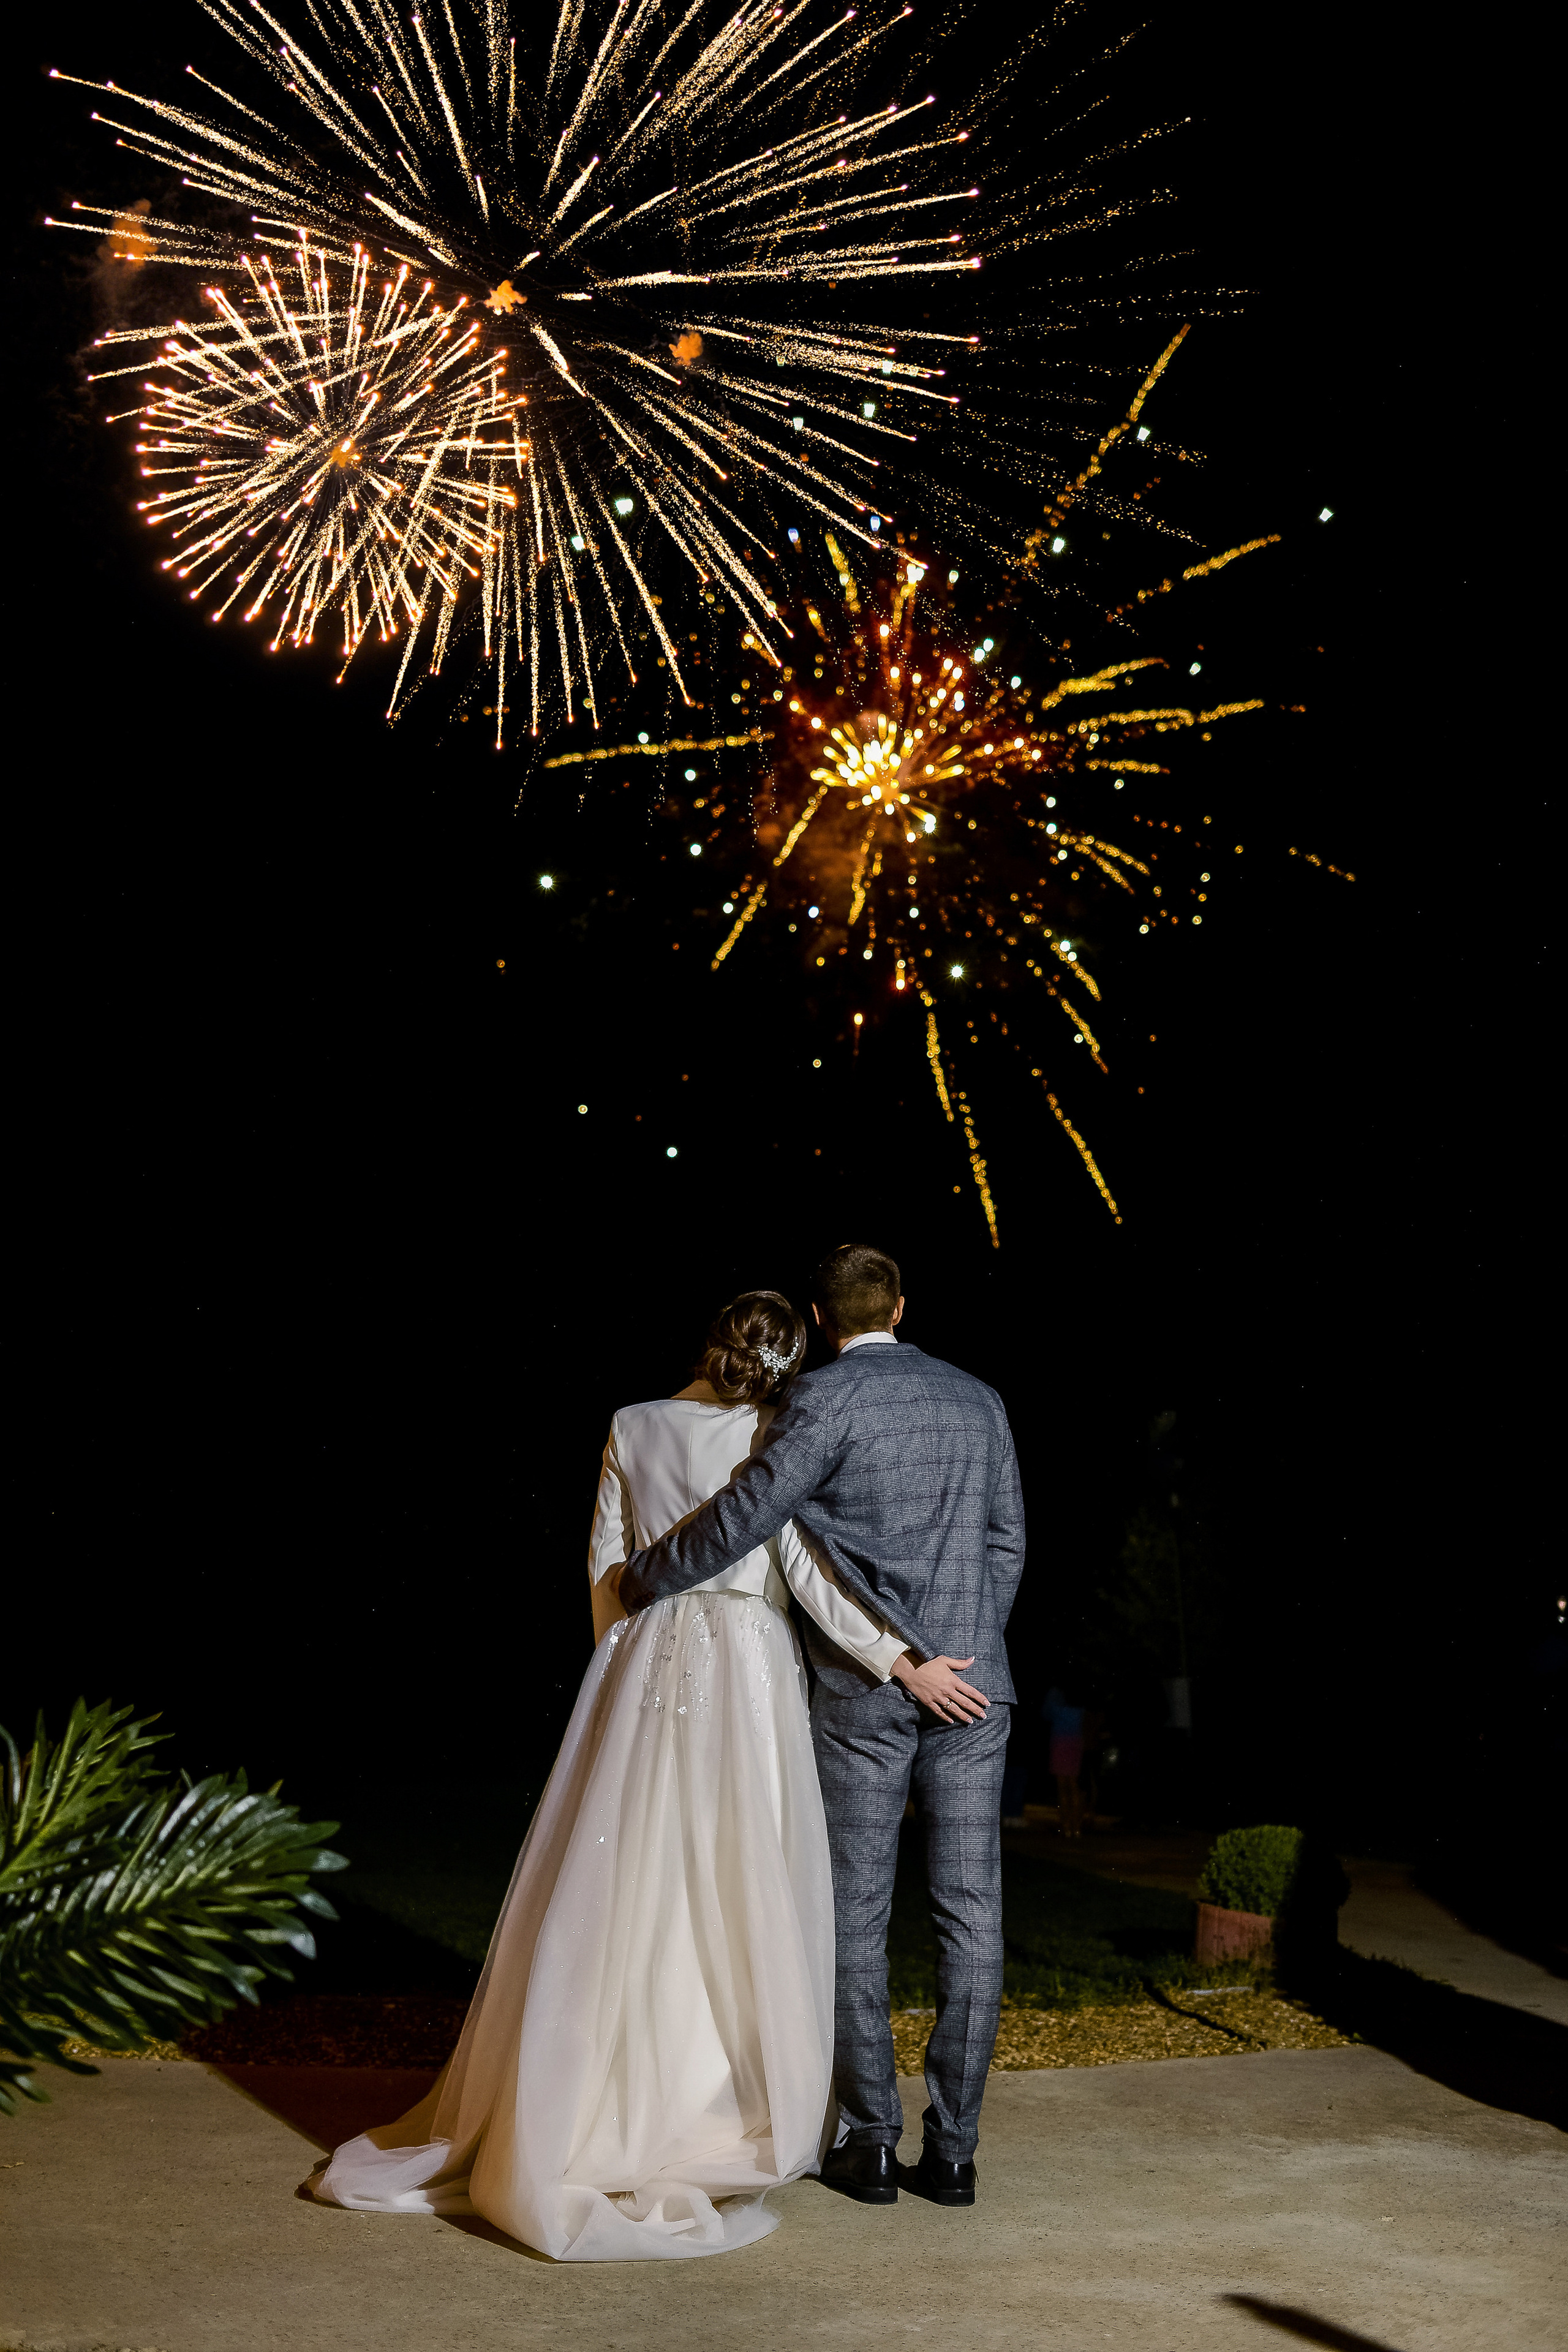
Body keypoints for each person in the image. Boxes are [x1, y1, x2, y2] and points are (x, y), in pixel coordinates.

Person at [310, 1289, 931, 2260]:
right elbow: (807, 1568)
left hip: (648, 1659)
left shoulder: (631, 1423)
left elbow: (605, 1560)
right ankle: (715, 2092)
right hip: (752, 1667)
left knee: (626, 1872)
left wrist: (618, 1671)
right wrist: (894, 1654)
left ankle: (591, 2091)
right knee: (739, 1873)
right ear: (787, 1359)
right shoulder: (779, 1433)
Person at [619, 1242, 1025, 2210]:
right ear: (901, 1303)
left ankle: (874, 2142)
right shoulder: (980, 1399)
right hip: (975, 1689)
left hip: (864, 1690)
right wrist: (963, 1648)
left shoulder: (823, 1401)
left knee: (856, 1915)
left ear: (822, 1316)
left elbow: (751, 1512)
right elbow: (1007, 1540)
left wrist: (644, 1576)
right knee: (973, 1917)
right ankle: (957, 2156)